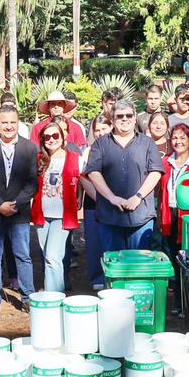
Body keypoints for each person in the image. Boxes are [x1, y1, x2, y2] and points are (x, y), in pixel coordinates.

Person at [0, 104, 39, 318]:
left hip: (19, 213)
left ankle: (28, 297)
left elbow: (32, 183)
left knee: (23, 255)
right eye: (5, 122)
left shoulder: (30, 148)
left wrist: (16, 204)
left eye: (13, 122)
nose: (9, 126)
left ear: (18, 123)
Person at [85, 99, 165, 253]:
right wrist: (112, 198)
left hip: (141, 216)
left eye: (129, 115)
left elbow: (155, 172)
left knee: (140, 265)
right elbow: (94, 173)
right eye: (120, 116)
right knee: (114, 267)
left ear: (135, 118)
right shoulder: (100, 144)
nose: (124, 119)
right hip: (109, 215)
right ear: (113, 120)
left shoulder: (147, 143)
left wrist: (138, 196)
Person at [31, 117, 80, 295]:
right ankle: (57, 293)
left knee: (53, 257)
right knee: (48, 257)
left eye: (55, 135)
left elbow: (86, 181)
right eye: (46, 137)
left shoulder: (74, 158)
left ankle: (54, 298)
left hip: (62, 215)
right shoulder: (39, 160)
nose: (51, 139)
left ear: (63, 137)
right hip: (42, 215)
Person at [157, 124, 189, 247]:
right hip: (168, 215)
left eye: (182, 138)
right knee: (170, 252)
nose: (178, 142)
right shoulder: (165, 162)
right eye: (174, 138)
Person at [79, 114, 113, 290]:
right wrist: (101, 198)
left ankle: (114, 276)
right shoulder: (88, 151)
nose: (100, 133)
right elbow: (84, 178)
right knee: (95, 242)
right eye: (97, 130)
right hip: (94, 203)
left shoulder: (118, 148)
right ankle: (97, 278)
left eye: (104, 129)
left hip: (116, 204)